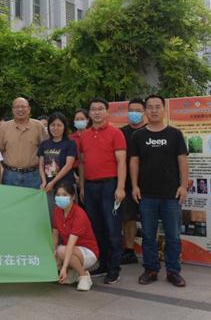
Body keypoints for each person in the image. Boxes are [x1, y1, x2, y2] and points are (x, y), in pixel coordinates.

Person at [130, 94, 189, 288]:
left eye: (157, 107)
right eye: (150, 107)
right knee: (148, 236)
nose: (154, 110)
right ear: (145, 111)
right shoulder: (138, 136)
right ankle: (151, 269)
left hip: (171, 195)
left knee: (173, 236)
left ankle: (173, 271)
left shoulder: (175, 134)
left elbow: (182, 160)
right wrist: (135, 186)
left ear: (164, 110)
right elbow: (134, 162)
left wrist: (183, 186)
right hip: (146, 195)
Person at [77, 97, 126, 284]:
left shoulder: (116, 133)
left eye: (100, 109)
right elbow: (82, 163)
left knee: (112, 228)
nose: (96, 112)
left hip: (109, 186)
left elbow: (121, 162)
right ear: (89, 113)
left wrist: (120, 187)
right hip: (90, 187)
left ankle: (114, 269)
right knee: (96, 228)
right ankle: (103, 264)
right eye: (93, 109)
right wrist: (82, 186)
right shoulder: (84, 135)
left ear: (107, 112)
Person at [52, 182, 99, 292]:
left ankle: (84, 275)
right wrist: (53, 253)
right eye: (58, 195)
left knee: (61, 251)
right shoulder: (57, 211)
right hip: (70, 249)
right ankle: (73, 271)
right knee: (55, 256)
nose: (60, 198)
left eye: (64, 195)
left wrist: (63, 268)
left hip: (87, 252)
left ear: (73, 197)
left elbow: (70, 244)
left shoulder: (79, 214)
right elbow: (55, 234)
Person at [118, 98, 146, 265]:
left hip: (148, 183)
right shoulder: (120, 132)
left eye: (138, 110)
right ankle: (129, 251)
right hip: (126, 183)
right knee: (128, 218)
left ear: (144, 112)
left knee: (149, 219)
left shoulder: (150, 131)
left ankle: (152, 252)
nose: (134, 113)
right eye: (131, 110)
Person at [0, 97, 47, 189]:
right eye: (17, 107)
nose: (20, 109)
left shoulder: (38, 126)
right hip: (10, 175)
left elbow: (45, 151)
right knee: (10, 198)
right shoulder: (4, 127)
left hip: (33, 175)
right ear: (12, 110)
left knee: (33, 199)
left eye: (23, 107)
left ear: (29, 109)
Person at [38, 112, 77, 218]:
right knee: (51, 215)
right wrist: (44, 181)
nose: (56, 128)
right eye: (53, 125)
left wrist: (53, 182)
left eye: (59, 125)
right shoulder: (44, 144)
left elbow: (68, 165)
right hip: (48, 187)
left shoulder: (70, 144)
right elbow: (41, 165)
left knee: (67, 215)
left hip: (65, 186)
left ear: (64, 127)